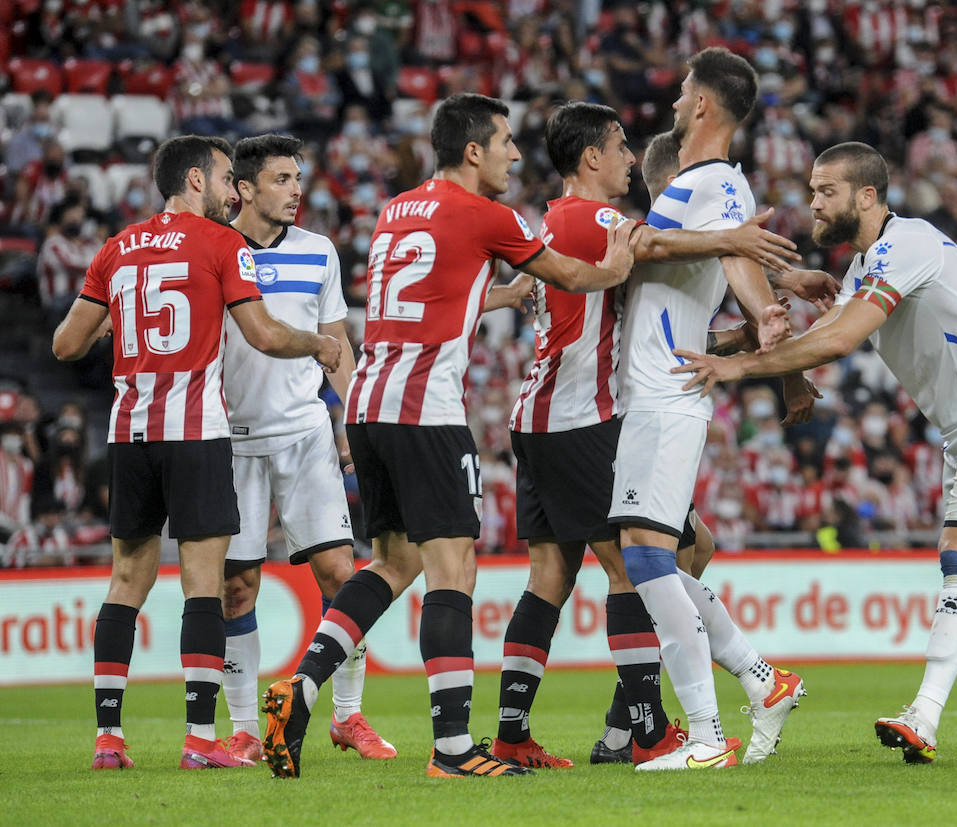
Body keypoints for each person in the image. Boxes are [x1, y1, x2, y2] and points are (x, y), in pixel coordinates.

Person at [260, 92, 635, 780]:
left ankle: (303, 685)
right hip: (424, 409)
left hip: (368, 399)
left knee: (392, 562)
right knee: (452, 566)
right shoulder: (487, 214)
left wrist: (492, 296)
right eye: (505, 142)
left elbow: (430, 298)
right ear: (473, 151)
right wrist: (613, 270)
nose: (515, 155)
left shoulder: (398, 210)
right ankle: (455, 748)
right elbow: (571, 275)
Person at [674, 141, 957, 765]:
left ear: (868, 196)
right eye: (811, 190)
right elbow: (828, 332)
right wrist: (787, 371)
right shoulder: (863, 270)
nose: (813, 204)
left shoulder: (908, 243)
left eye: (826, 191)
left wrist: (740, 365)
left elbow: (844, 336)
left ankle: (926, 715)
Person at [493, 106, 804, 769]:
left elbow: (651, 307)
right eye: (621, 146)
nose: (632, 158)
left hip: (543, 417)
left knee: (557, 573)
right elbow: (658, 246)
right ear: (590, 161)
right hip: (580, 419)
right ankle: (650, 727)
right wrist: (736, 239)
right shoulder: (589, 218)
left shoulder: (566, 226)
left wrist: (759, 305)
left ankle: (514, 733)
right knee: (637, 565)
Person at [52, 135, 342, 771]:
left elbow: (66, 345)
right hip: (196, 433)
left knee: (125, 581)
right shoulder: (222, 243)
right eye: (224, 179)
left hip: (128, 433)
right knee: (203, 589)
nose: (234, 190)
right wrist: (317, 346)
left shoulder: (118, 248)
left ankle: (108, 738)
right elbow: (263, 334)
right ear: (193, 181)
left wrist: (111, 324)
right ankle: (199, 741)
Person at [611, 47, 817, 772]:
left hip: (670, 392)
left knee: (644, 555)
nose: (672, 103)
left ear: (703, 104)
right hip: (656, 390)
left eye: (681, 93)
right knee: (648, 558)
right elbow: (731, 251)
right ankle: (763, 679)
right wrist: (770, 302)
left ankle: (704, 735)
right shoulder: (699, 186)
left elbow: (737, 256)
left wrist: (767, 313)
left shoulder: (717, 180)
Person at [215, 134, 394, 764]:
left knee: (341, 576)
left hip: (306, 434)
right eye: (283, 179)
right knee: (237, 587)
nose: (297, 190)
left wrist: (355, 422)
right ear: (244, 187)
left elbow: (335, 343)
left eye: (298, 177)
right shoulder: (215, 248)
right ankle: (242, 728)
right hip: (231, 441)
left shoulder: (319, 251)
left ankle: (348, 716)